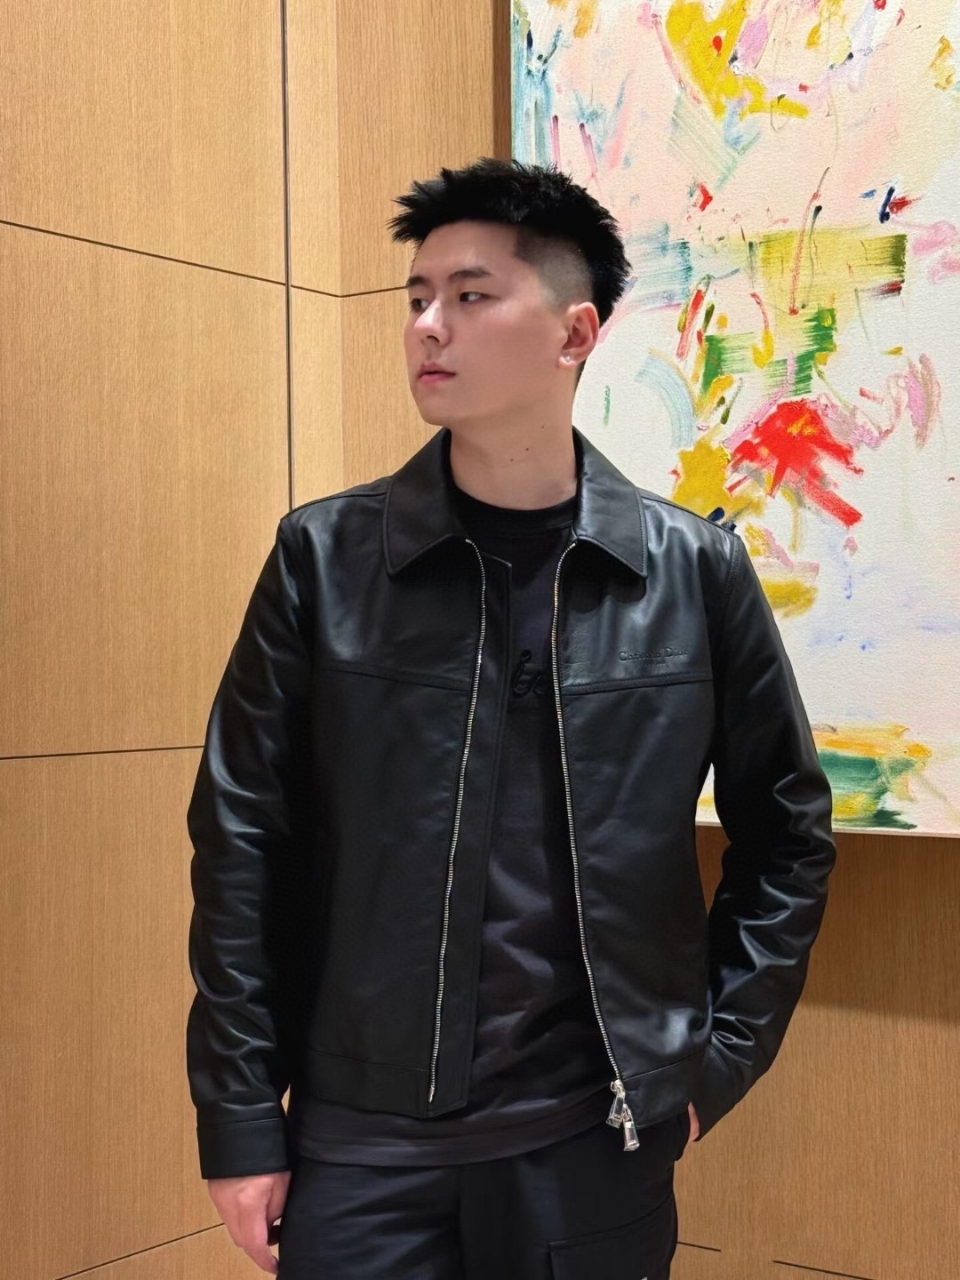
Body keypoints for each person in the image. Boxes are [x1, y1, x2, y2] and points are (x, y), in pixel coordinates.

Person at [186, 157, 836, 1279]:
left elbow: (787, 836)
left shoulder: (692, 572)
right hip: (363, 1140)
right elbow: (241, 842)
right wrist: (241, 1113)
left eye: (471, 294)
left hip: (590, 1141)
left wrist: (712, 1061)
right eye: (417, 296)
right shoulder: (324, 560)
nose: (427, 325)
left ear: (574, 333)